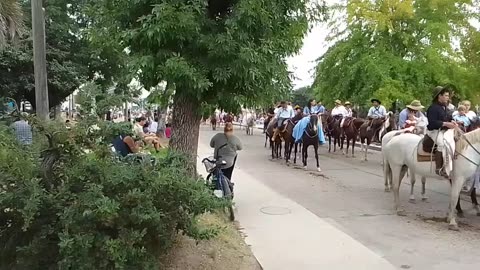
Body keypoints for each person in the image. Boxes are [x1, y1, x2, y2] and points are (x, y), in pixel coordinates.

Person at [426, 86, 457, 178]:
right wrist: (445, 124)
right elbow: (432, 123)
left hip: (443, 130)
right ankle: (438, 168)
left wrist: (453, 121)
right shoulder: (433, 108)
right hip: (434, 131)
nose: (448, 98)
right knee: (441, 144)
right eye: (446, 95)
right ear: (440, 96)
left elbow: (447, 118)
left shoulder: (444, 107)